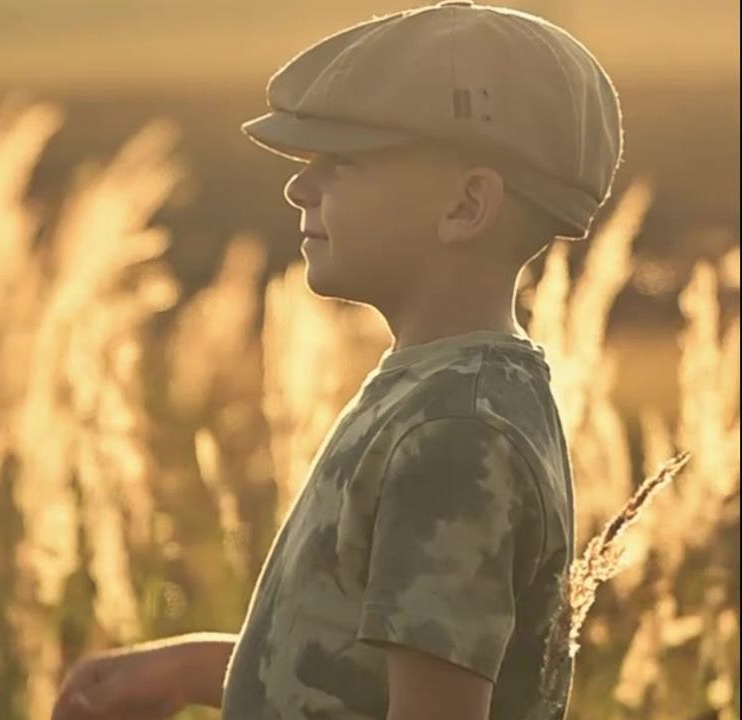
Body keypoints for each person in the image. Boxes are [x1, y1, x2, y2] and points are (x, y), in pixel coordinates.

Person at [51, 1, 625, 719]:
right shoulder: (435, 394)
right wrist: (198, 670)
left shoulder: (453, 435)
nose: (300, 185)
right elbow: (377, 670)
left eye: (342, 161)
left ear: (467, 204)